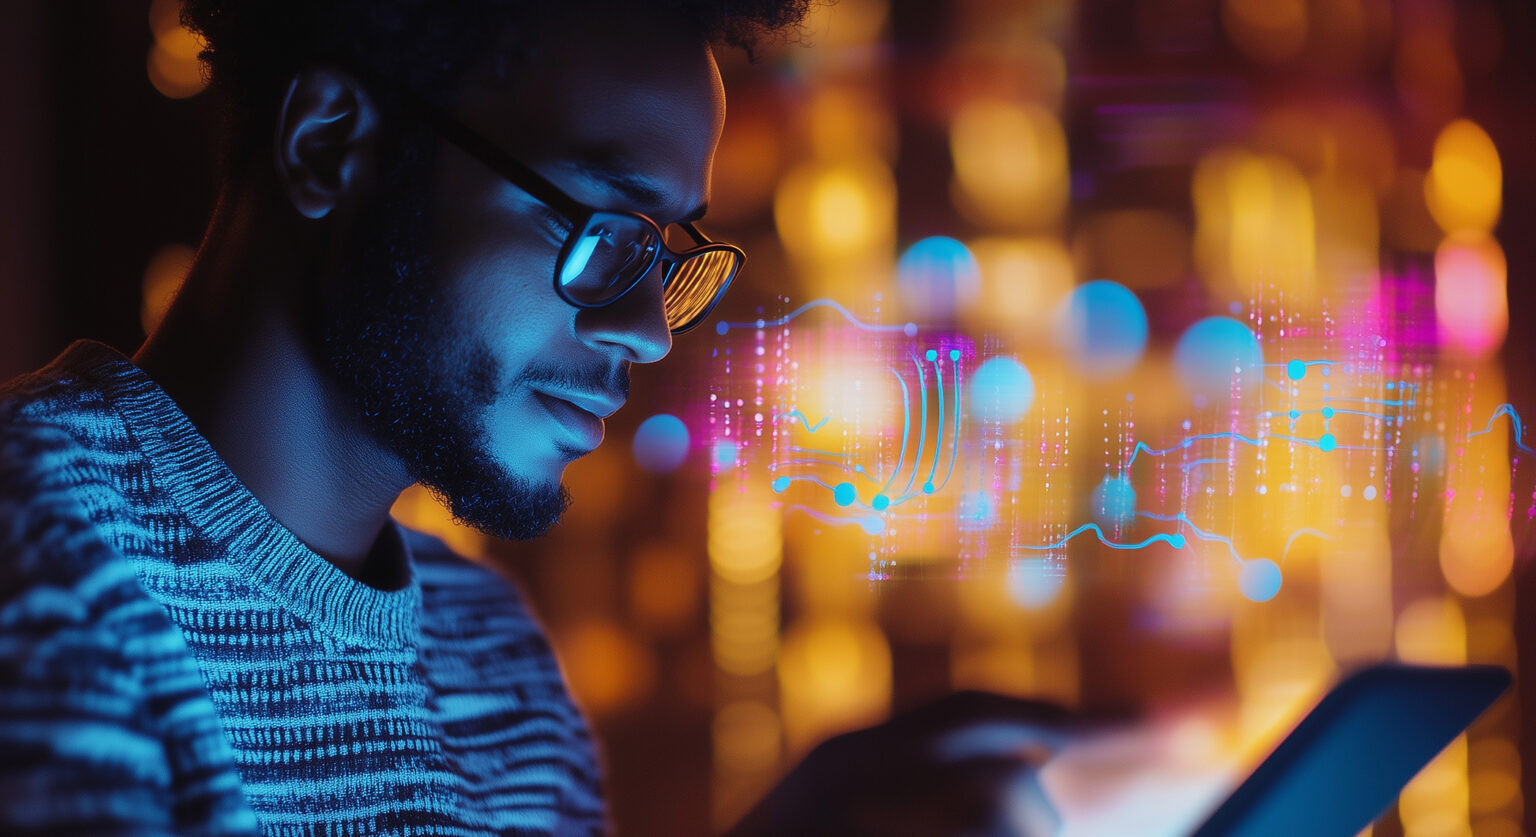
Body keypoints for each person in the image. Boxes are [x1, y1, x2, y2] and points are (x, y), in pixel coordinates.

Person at [0, 1, 1069, 833]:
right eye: (604, 226)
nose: (647, 331)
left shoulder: (498, 660)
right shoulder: (42, 568)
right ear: (329, 143)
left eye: (666, 253)